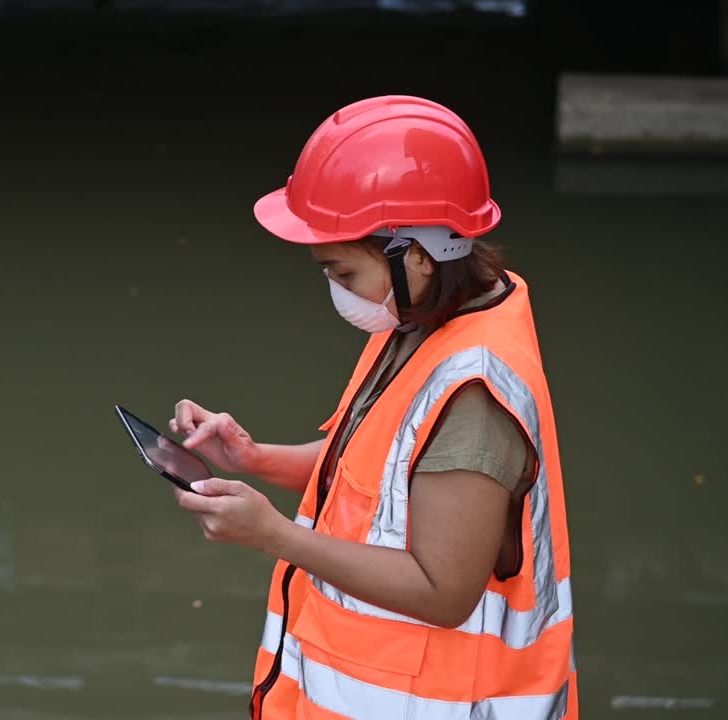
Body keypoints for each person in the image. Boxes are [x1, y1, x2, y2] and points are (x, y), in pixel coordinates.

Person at [168, 95, 577, 719]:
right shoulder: (420, 317)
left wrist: (273, 535)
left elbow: (443, 591)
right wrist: (253, 457)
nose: (336, 290)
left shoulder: (473, 397)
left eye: (342, 272)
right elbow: (375, 475)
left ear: (415, 252)